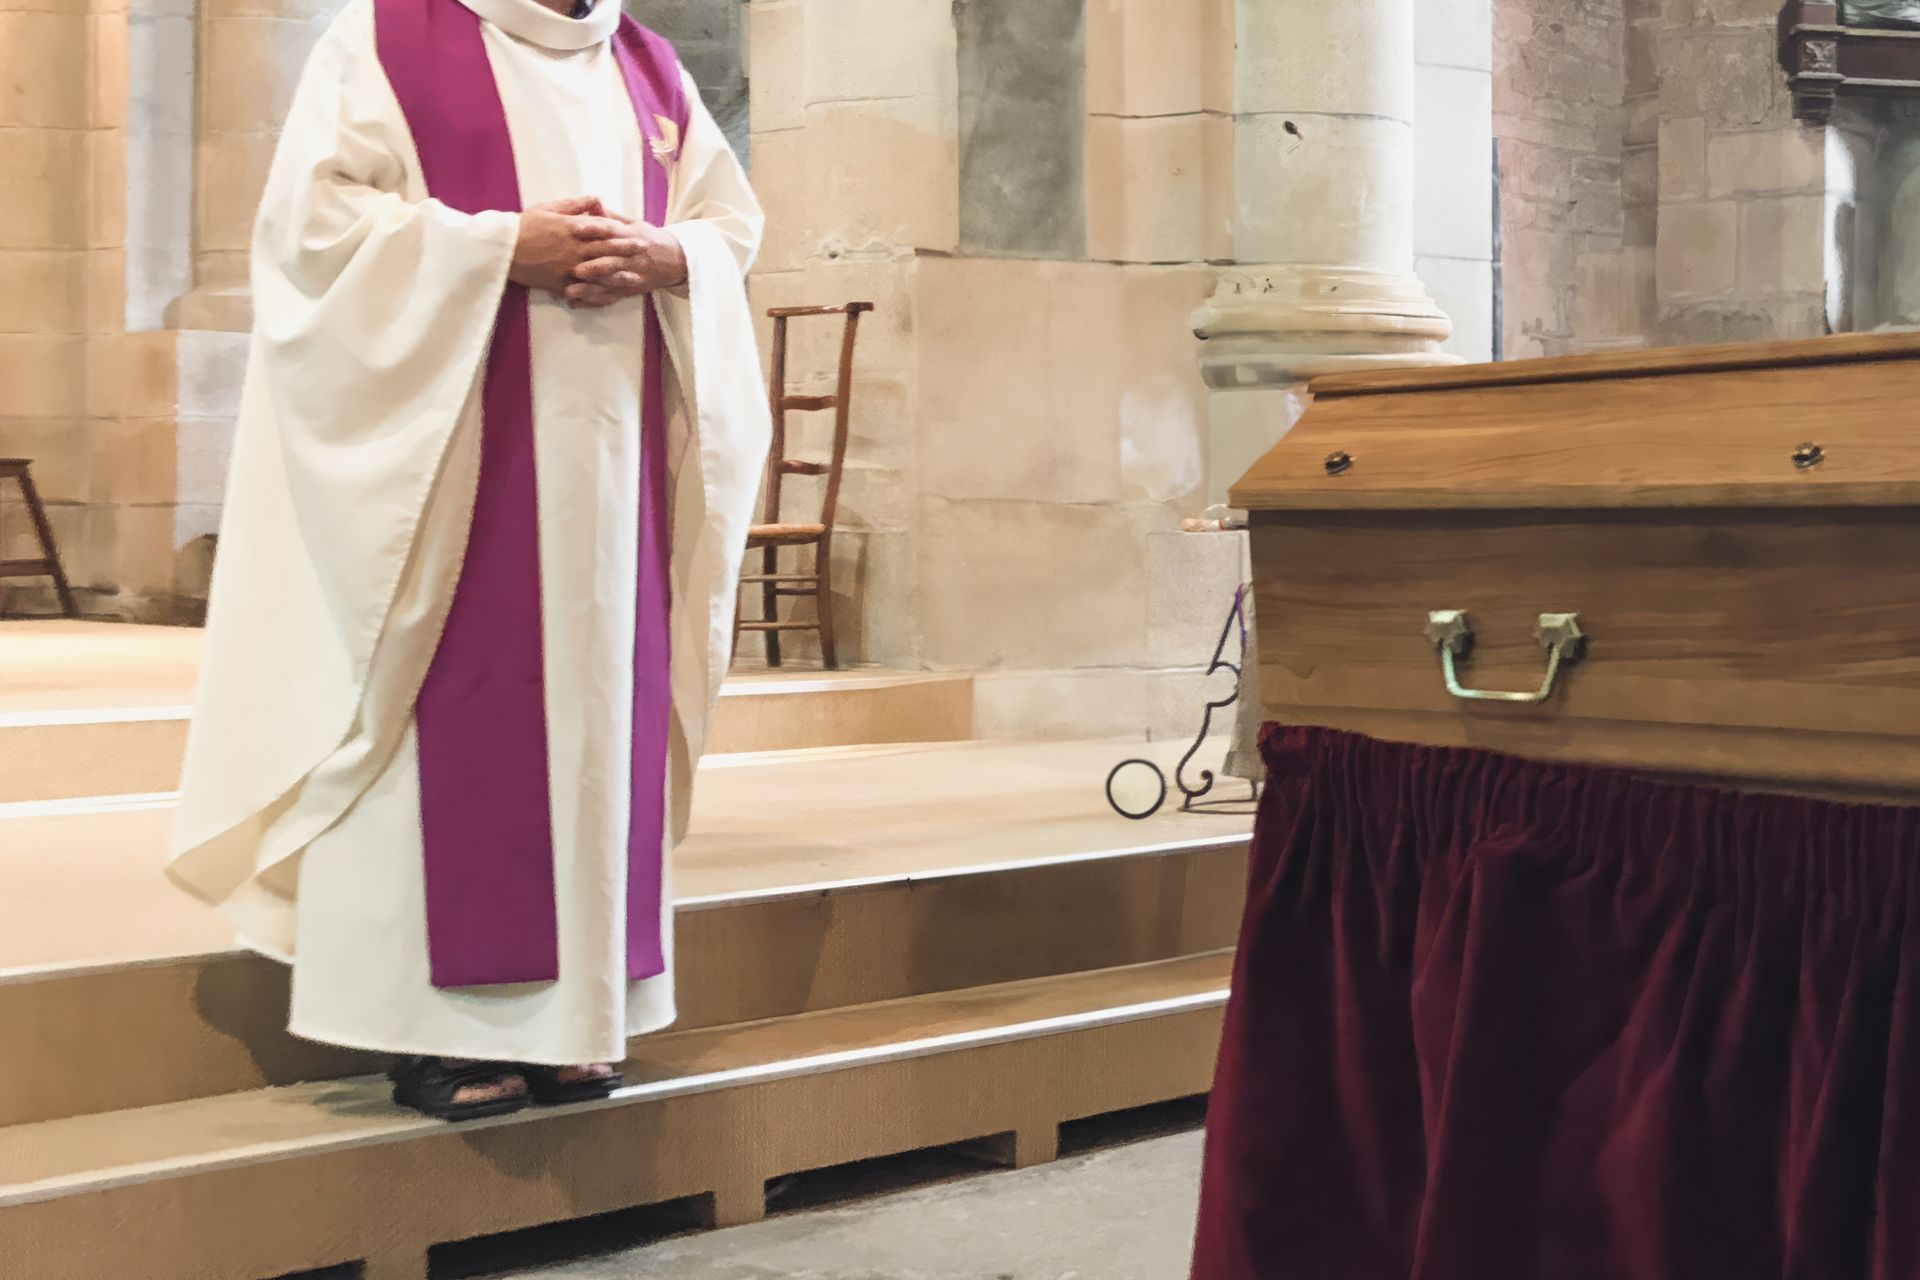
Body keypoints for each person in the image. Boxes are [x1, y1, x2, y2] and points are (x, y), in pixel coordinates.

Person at [166, 0, 770, 1120]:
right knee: (454, 692)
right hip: (450, 465)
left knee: (598, 718)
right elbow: (312, 232)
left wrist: (669, 254)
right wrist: (498, 246)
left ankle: (580, 1016)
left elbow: (729, 227)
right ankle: (438, 1030)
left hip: (615, 474)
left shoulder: (648, 67)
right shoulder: (389, 38)